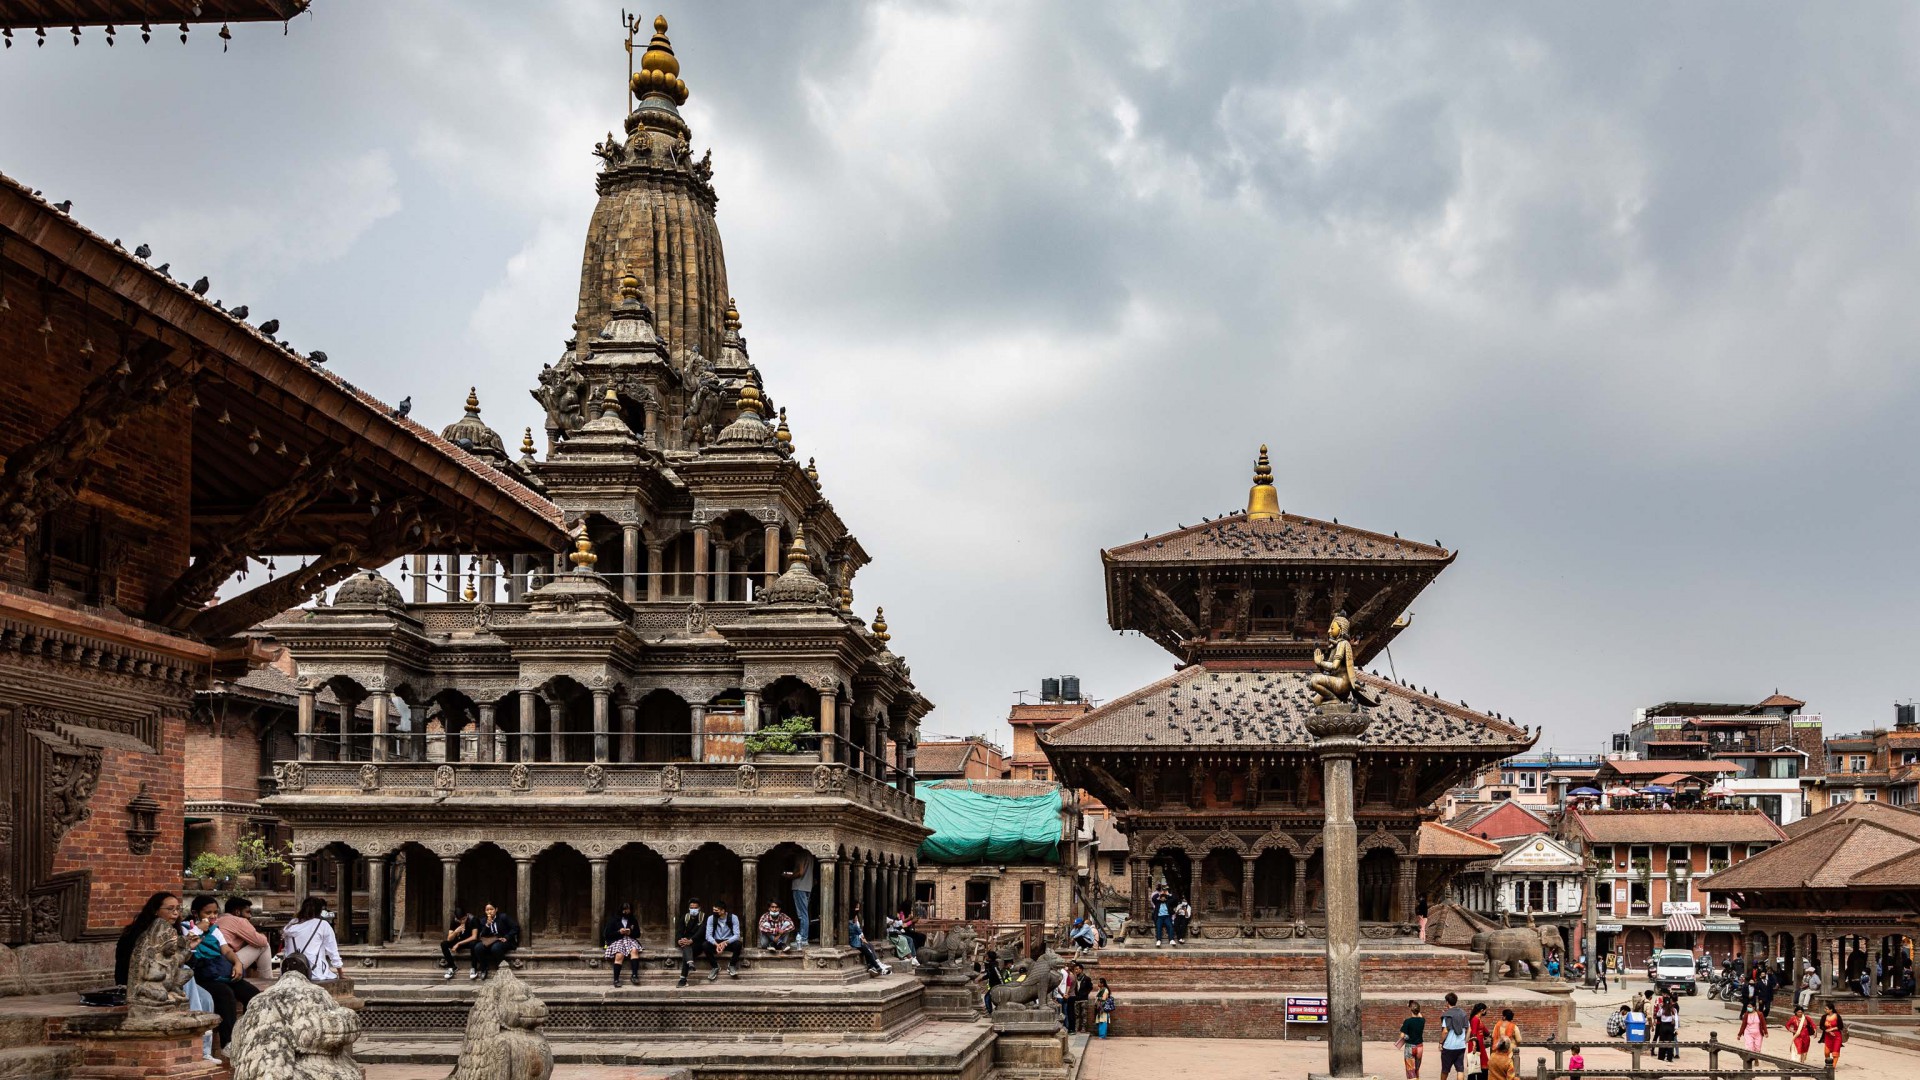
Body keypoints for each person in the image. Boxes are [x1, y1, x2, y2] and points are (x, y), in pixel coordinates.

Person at [187, 894, 258, 1053]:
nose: (212, 916)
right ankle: (229, 1042)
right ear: (195, 913)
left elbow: (226, 950)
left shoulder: (215, 930)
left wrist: (237, 963)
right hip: (202, 973)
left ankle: (248, 1034)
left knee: (254, 995)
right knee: (225, 994)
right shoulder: (188, 928)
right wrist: (198, 929)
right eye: (208, 913)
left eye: (215, 912)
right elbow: (185, 945)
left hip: (220, 971)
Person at [115, 891, 181, 988]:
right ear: (155, 911)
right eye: (170, 909)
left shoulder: (175, 930)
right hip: (141, 980)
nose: (175, 913)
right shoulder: (139, 934)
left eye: (178, 909)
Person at [280, 895, 345, 984]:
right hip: (314, 972)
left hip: (290, 970)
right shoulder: (322, 925)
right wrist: (340, 973)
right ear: (320, 910)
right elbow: (332, 951)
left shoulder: (291, 924)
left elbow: (286, 950)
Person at [214, 896, 273, 980]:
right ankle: (267, 980)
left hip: (214, 964)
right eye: (247, 912)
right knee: (264, 945)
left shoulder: (218, 919)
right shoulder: (238, 920)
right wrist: (262, 936)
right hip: (226, 963)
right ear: (237, 912)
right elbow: (261, 942)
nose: (250, 916)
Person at [468, 902, 519, 980]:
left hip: (503, 940)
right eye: (487, 910)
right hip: (490, 941)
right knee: (478, 947)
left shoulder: (503, 917)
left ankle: (502, 967)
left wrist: (507, 937)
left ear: (496, 909)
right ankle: (484, 968)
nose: (489, 911)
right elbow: (482, 935)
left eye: (491, 909)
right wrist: (487, 925)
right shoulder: (483, 921)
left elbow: (515, 927)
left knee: (495, 948)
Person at [603, 901, 643, 987]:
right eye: (625, 910)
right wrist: (619, 932)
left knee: (634, 950)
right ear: (621, 910)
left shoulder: (633, 920)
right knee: (619, 955)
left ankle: (634, 975)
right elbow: (607, 934)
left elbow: (638, 934)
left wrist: (630, 933)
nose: (626, 912)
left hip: (629, 940)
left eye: (628, 910)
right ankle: (616, 979)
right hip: (617, 940)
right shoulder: (613, 919)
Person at [847, 902, 891, 976]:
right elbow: (860, 932)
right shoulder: (853, 926)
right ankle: (878, 968)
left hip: (856, 942)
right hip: (857, 943)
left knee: (868, 950)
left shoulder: (850, 924)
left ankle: (872, 966)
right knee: (869, 953)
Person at [782, 852, 816, 947]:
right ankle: (803, 937)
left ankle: (803, 939)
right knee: (805, 913)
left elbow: (800, 872)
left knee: (802, 914)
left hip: (799, 886)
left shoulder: (801, 854)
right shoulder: (810, 854)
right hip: (807, 886)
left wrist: (789, 876)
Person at [705, 899, 743, 980]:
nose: (714, 912)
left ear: (723, 910)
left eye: (716, 910)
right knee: (705, 945)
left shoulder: (733, 917)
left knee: (738, 944)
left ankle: (731, 965)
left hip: (728, 941)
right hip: (716, 941)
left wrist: (726, 942)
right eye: (713, 910)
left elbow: (737, 935)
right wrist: (716, 944)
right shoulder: (711, 918)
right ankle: (715, 967)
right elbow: (708, 935)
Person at [675, 897, 708, 988]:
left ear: (699, 908)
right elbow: (679, 931)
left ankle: (683, 980)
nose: (693, 909)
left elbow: (701, 931)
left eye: (695, 908)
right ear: (689, 908)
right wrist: (679, 939)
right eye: (691, 908)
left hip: (698, 942)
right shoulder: (685, 917)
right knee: (686, 947)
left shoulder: (704, 917)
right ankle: (690, 963)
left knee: (686, 950)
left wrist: (691, 940)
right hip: (686, 941)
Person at [1437, 992, 1469, 1080]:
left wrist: (1440, 1042)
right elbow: (1469, 1029)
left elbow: (1445, 1031)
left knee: (1445, 1070)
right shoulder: (1463, 1013)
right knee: (1460, 1069)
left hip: (1449, 1047)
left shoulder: (1447, 1015)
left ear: (1447, 1002)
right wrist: (1465, 1041)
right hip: (1460, 1046)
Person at [441, 905, 477, 980]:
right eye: (459, 920)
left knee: (474, 944)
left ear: (466, 915)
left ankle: (474, 967)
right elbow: (449, 939)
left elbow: (474, 937)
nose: (462, 921)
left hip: (469, 941)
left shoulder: (472, 919)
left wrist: (458, 944)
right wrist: (455, 932)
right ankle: (452, 967)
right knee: (444, 944)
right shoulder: (454, 921)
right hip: (459, 940)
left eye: (464, 919)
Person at [1395, 1000, 1425, 1079]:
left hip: (1410, 1047)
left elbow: (1402, 1035)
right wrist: (1416, 1009)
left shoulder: (1407, 1021)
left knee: (1410, 1070)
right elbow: (1420, 1015)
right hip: (1420, 1047)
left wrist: (1406, 1036)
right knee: (1417, 1069)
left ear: (1410, 1010)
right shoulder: (1422, 1020)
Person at [1467, 1002, 1490, 1080]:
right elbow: (1473, 1032)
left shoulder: (1478, 1019)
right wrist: (1474, 1045)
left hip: (1479, 1043)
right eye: (1485, 1010)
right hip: (1476, 1044)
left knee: (1481, 1061)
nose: (1485, 1012)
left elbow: (1485, 1031)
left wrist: (1488, 1035)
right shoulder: (1475, 1019)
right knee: (1476, 1062)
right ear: (1482, 1010)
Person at [1820, 1003, 1846, 1069]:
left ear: (1831, 1010)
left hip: (1837, 1036)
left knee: (1835, 1052)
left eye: (1826, 1009)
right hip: (1827, 1036)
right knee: (1826, 1052)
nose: (1825, 1010)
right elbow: (1821, 1026)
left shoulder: (1837, 1016)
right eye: (1825, 1009)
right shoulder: (1824, 1017)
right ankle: (1828, 1063)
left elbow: (1841, 1026)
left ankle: (1833, 1066)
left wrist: (1832, 1029)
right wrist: (1827, 1030)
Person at [1653, 994, 1678, 1062]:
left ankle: (1661, 1056)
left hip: (1663, 1026)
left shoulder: (1662, 1009)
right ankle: (1669, 1058)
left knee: (1662, 1041)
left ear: (1663, 1002)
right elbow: (1676, 1019)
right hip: (1670, 1027)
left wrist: (1660, 1007)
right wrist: (1676, 1029)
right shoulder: (1673, 1010)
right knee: (1670, 1042)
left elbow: (1658, 1015)